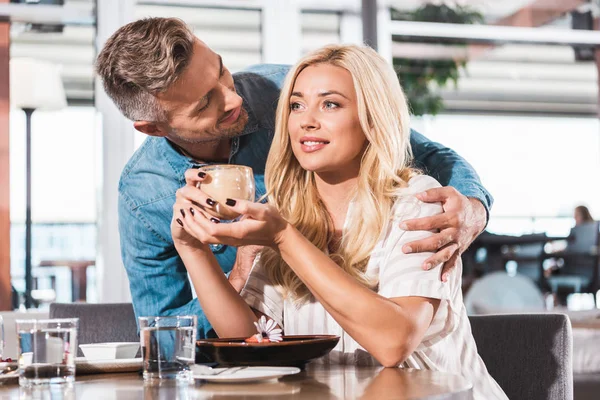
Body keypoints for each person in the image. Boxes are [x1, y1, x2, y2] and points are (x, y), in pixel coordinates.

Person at [95, 17, 493, 338]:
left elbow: (423, 153)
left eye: (221, 72)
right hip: (295, 367)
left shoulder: (290, 88)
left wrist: (473, 208)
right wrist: (228, 272)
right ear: (153, 128)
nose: (233, 99)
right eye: (205, 104)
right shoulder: (143, 194)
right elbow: (166, 336)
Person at [172, 44, 507, 399]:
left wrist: (284, 239)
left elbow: (394, 342)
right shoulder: (287, 212)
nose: (306, 120)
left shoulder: (418, 201)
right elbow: (255, 341)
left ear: (372, 118)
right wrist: (193, 249)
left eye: (330, 104)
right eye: (296, 105)